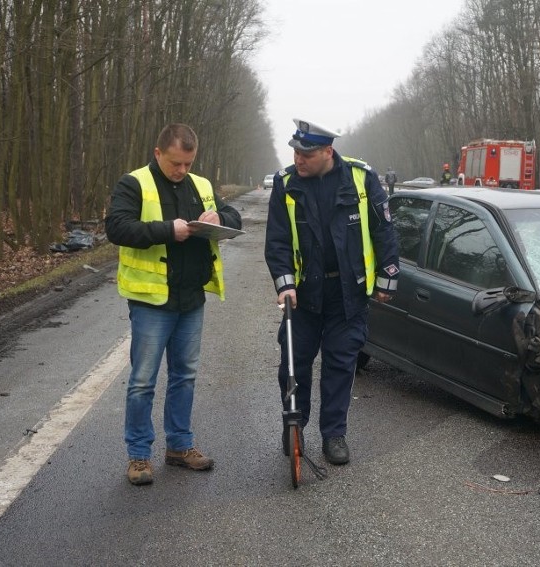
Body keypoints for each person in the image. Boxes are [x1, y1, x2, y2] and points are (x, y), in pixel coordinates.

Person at [105, 123, 242, 485]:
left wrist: (220, 219)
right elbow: (117, 228)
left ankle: (180, 446)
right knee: (142, 381)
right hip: (152, 300)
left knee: (184, 376)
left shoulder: (202, 185)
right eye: (175, 163)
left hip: (191, 298)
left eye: (188, 163)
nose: (182, 170)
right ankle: (138, 456)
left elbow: (233, 217)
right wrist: (169, 230)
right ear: (157, 153)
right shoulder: (134, 184)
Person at [264, 118, 400, 465]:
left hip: (347, 292)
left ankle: (334, 435)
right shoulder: (285, 183)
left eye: (307, 154)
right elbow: (277, 240)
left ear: (328, 151)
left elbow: (383, 230)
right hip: (304, 294)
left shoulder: (360, 177)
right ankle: (294, 425)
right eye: (296, 151)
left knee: (341, 364)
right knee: (294, 363)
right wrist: (285, 285)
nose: (299, 159)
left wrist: (387, 278)